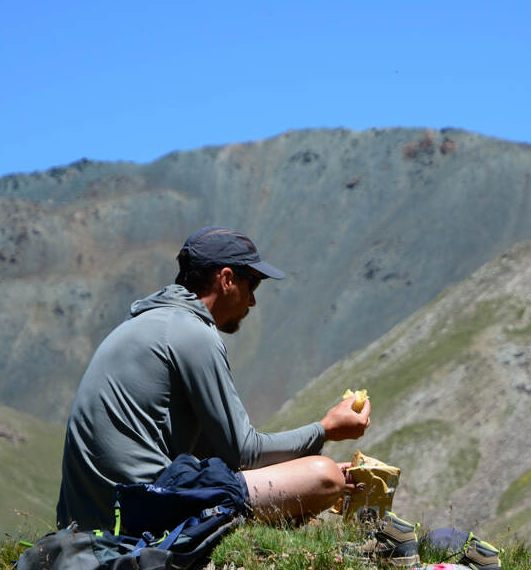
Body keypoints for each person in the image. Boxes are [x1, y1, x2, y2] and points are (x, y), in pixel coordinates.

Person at [55, 226, 371, 532]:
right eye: (253, 285)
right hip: (141, 514)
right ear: (227, 279)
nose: (252, 301)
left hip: (87, 520)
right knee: (324, 475)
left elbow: (219, 454)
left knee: (300, 482)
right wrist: (326, 429)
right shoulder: (192, 332)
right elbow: (245, 451)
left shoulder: (148, 322)